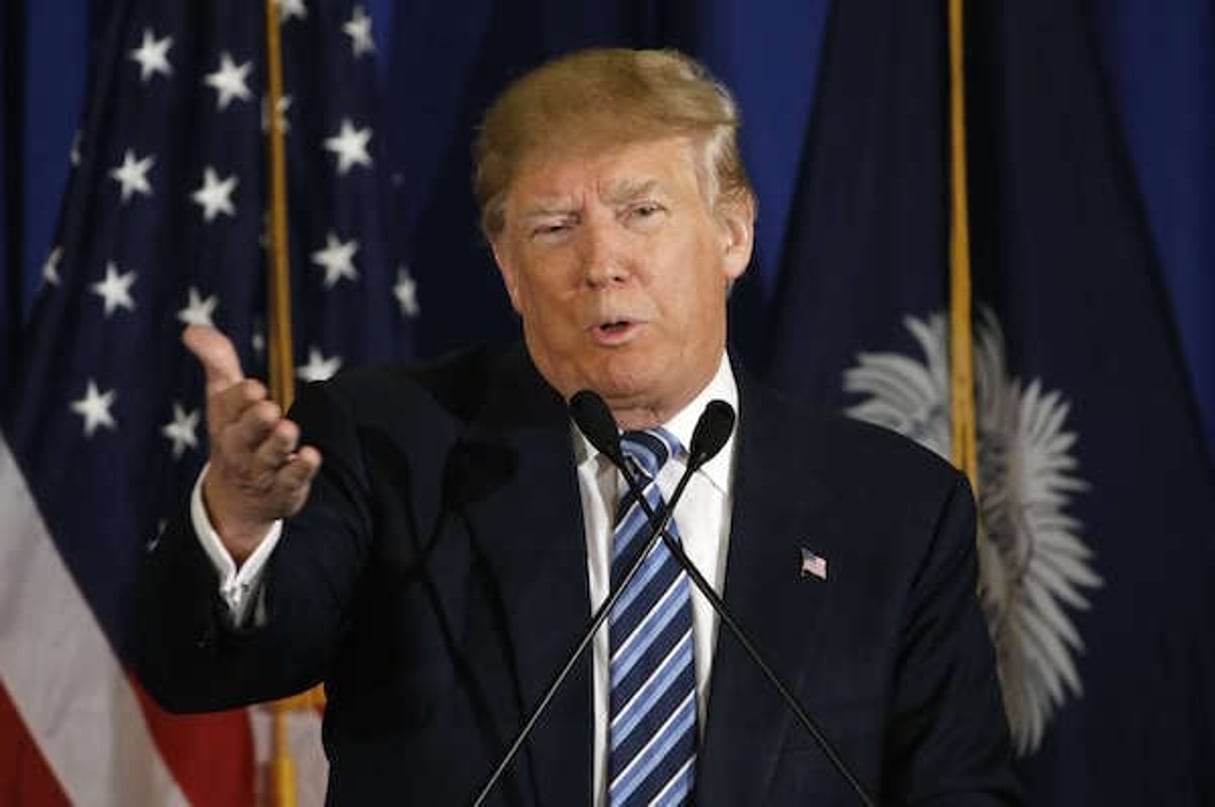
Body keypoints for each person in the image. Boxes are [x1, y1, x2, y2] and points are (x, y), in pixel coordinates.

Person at [136, 48, 1020, 805]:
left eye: (642, 212)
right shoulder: (388, 443)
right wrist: (240, 522)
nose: (602, 265)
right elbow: (201, 671)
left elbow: (957, 787)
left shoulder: (893, 509)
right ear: (509, 270)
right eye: (555, 227)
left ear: (733, 235)